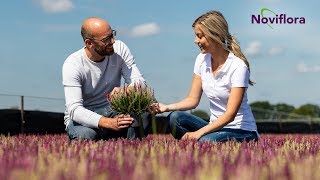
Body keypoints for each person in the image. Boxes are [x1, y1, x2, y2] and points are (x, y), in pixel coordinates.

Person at [152, 10, 259, 142]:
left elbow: (230, 115)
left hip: (241, 131)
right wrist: (166, 107)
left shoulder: (238, 67)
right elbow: (192, 100)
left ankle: (198, 144)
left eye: (200, 36)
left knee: (205, 141)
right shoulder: (201, 60)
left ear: (215, 35)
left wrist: (198, 133)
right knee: (175, 118)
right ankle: (197, 144)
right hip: (215, 128)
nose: (195, 41)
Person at [62, 17, 149, 141]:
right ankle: (108, 138)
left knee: (143, 110)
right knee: (86, 136)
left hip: (113, 110)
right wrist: (108, 123)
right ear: (89, 43)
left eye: (112, 34)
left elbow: (141, 83)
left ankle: (132, 150)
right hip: (85, 117)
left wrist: (127, 91)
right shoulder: (73, 64)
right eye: (106, 39)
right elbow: (75, 110)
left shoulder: (120, 49)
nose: (113, 41)